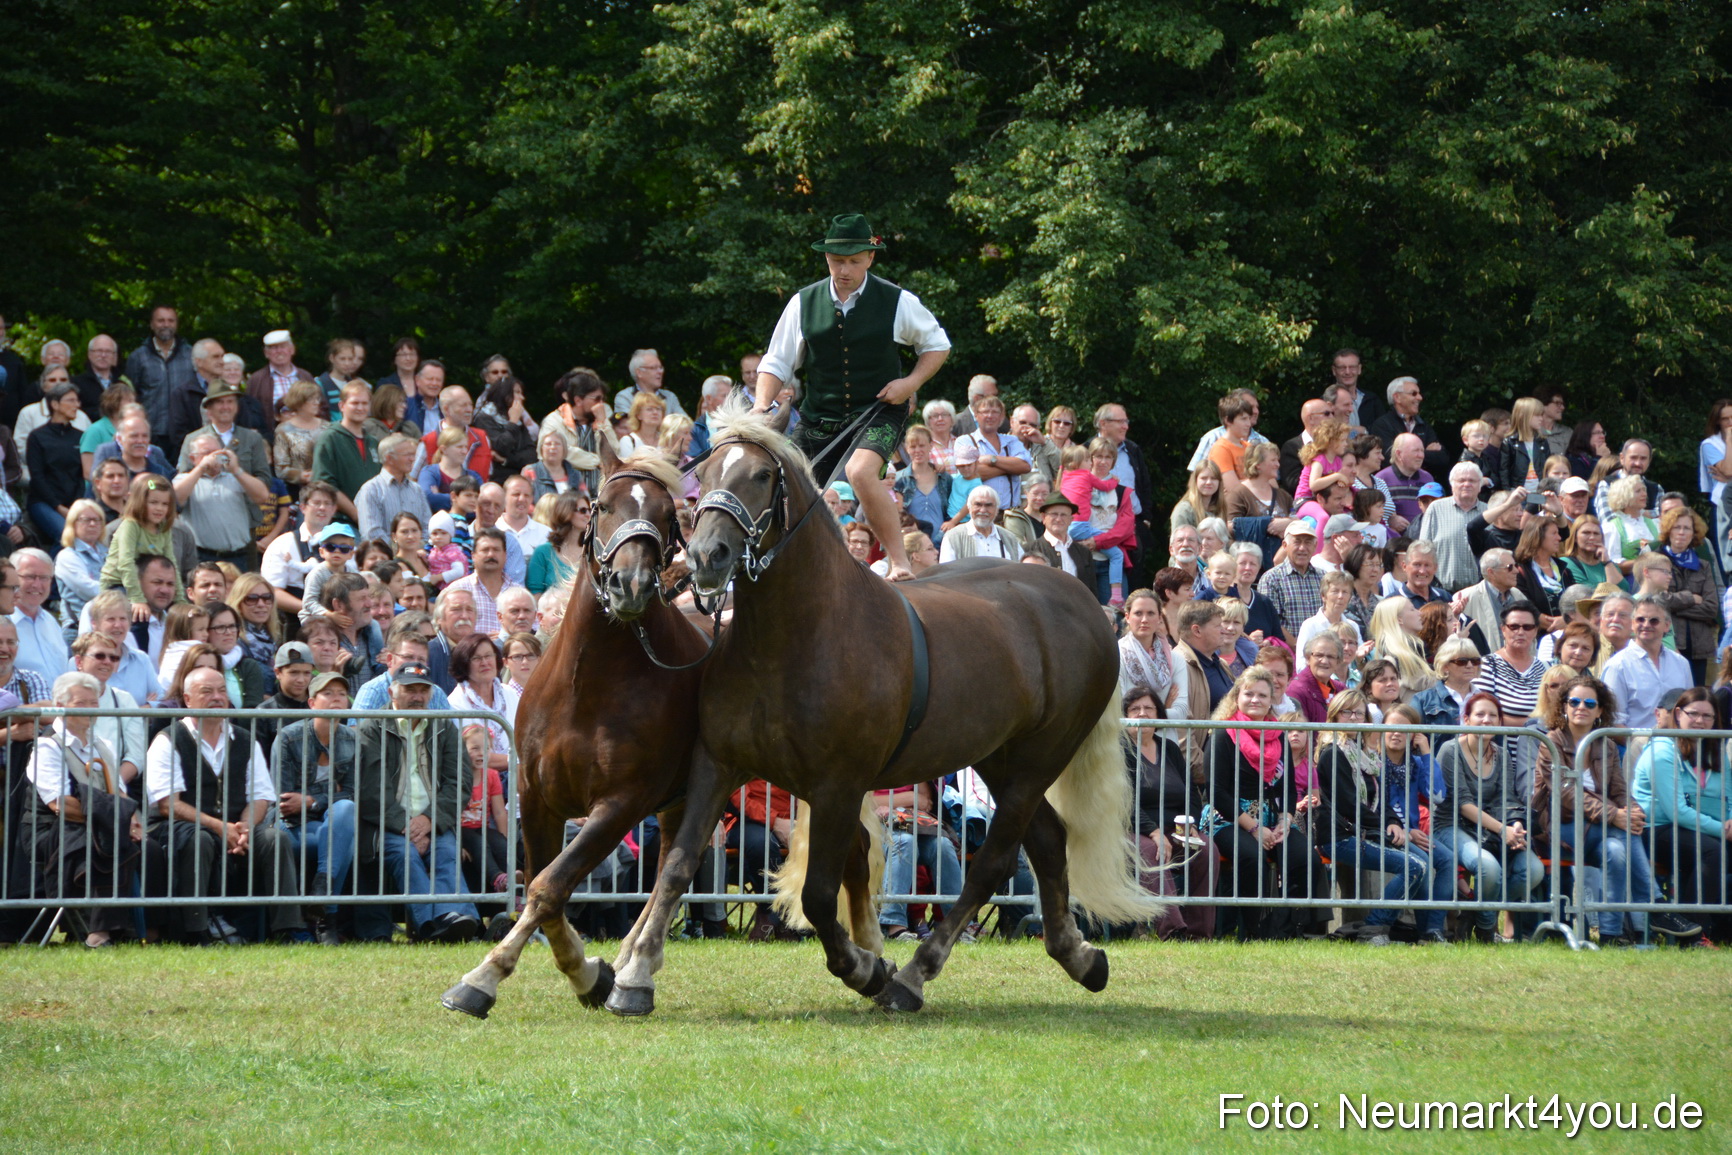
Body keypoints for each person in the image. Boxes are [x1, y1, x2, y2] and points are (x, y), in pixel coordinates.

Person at [750, 214, 951, 582]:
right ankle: (775, 567)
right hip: (817, 417)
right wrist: (762, 404)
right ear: (826, 258)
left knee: (859, 472)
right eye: (837, 261)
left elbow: (937, 345)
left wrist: (909, 383)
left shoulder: (897, 300)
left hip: (877, 411)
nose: (844, 269)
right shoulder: (802, 303)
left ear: (870, 259)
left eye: (854, 261)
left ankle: (900, 563)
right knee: (777, 481)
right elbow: (776, 361)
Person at [144, 665, 307, 943]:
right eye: (207, 691)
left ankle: (287, 929)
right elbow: (168, 805)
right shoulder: (167, 739)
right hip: (177, 827)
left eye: (222, 690)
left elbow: (260, 796)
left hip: (232, 826)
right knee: (200, 839)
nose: (217, 697)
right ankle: (196, 931)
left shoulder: (245, 739)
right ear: (187, 699)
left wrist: (243, 829)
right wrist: (220, 828)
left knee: (273, 838)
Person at [1534, 675, 1699, 945]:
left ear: (1600, 710)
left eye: (1590, 703)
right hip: (1560, 827)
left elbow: (1620, 790)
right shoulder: (1550, 742)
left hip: (1601, 828)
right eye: (1574, 701)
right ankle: (1657, 905)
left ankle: (1611, 934)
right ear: (1564, 706)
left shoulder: (1606, 744)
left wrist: (1631, 812)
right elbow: (1566, 793)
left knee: (1617, 851)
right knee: (1623, 834)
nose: (1581, 707)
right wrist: (1615, 816)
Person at [354, 662, 480, 942]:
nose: (418, 696)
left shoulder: (445, 727)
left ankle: (454, 920)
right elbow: (369, 789)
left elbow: (459, 782)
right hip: (386, 826)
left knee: (446, 852)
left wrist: (429, 820)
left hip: (433, 821)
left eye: (423, 690)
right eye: (410, 689)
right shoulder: (371, 727)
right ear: (391, 692)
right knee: (405, 855)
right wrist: (405, 825)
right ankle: (433, 925)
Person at [22, 671, 144, 947]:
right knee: (104, 843)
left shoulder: (103, 745)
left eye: (94, 702)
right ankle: (97, 933)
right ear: (60, 705)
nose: (90, 709)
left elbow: (119, 794)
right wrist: (114, 822)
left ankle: (147, 931)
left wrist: (133, 822)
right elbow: (59, 804)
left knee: (152, 848)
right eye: (81, 703)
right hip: (53, 829)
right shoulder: (47, 746)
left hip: (99, 824)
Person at [1313, 690, 1435, 945]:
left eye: (1360, 713)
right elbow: (1348, 804)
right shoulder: (1332, 752)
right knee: (1414, 866)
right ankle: (1374, 928)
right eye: (1347, 712)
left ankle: (1414, 930)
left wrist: (1393, 822)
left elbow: (1383, 796)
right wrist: (1385, 825)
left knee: (1419, 864)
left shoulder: (1367, 754)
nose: (1354, 718)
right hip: (1340, 836)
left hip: (1365, 831)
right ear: (1334, 717)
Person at [1206, 666, 1317, 939]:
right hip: (1228, 817)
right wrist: (1254, 829)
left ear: (1271, 700)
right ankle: (1251, 931)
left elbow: (1289, 789)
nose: (1255, 700)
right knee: (1250, 856)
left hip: (1271, 819)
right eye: (1249, 694)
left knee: (1305, 854)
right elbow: (1217, 792)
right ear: (1237, 697)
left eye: (1262, 696)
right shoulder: (1223, 733)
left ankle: (1290, 929)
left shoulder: (1278, 735)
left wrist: (1285, 821)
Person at [1436, 692, 1543, 946]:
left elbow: (1506, 799)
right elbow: (1463, 804)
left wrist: (1515, 825)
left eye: (1492, 715)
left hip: (1492, 827)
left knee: (1533, 870)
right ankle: (1486, 929)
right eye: (1480, 714)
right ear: (1466, 720)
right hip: (1451, 825)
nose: (1486, 720)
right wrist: (1502, 830)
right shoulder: (1450, 750)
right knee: (1489, 868)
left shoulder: (1502, 754)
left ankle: (1473, 914)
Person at [1632, 687, 1731, 944]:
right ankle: (1695, 935)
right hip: (1653, 829)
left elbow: (1728, 797)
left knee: (1715, 849)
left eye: (1707, 716)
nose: (1700, 721)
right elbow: (1677, 812)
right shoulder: (1663, 750)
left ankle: (1718, 931)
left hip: (1693, 829)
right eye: (1693, 714)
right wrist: (1724, 830)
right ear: (1678, 714)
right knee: (1711, 850)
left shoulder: (1716, 751)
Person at [270, 671, 360, 944]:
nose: (336, 699)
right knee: (342, 837)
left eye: (342, 694)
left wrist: (310, 800)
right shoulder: (289, 737)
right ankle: (326, 920)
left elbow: (353, 793)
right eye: (328, 693)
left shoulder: (352, 739)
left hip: (332, 822)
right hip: (294, 826)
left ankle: (323, 894)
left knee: (345, 810)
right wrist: (327, 795)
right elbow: (285, 800)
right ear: (312, 703)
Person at [1124, 686, 1216, 939]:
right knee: (1152, 852)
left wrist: (1191, 825)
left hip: (1174, 828)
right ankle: (1172, 929)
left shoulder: (1170, 749)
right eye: (1135, 709)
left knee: (1206, 850)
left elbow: (1191, 794)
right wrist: (1153, 832)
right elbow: (1123, 800)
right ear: (1124, 716)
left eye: (1149, 708)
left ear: (1159, 716)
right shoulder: (1118, 750)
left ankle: (1200, 932)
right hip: (1132, 830)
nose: (1142, 714)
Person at [874, 775, 963, 941]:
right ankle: (895, 926)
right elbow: (866, 803)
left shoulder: (910, 758)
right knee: (904, 842)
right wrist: (910, 798)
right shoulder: (870, 759)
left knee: (943, 845)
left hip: (913, 823)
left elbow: (925, 801)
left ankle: (955, 925)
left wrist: (891, 804)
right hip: (874, 826)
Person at [173, 433, 268, 568]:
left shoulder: (234, 477)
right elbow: (174, 499)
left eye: (218, 452)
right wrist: (200, 468)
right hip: (202, 557)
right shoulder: (184, 479)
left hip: (238, 556)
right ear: (193, 458)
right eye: (207, 453)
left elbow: (262, 496)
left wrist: (236, 469)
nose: (214, 457)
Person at [1602, 596, 1692, 731]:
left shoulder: (1681, 663)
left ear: (1666, 626)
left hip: (1677, 747)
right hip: (1634, 748)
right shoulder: (1617, 665)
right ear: (1633, 624)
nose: (1646, 625)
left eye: (1654, 621)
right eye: (1640, 619)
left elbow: (1690, 709)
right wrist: (1642, 746)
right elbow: (1613, 721)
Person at [1655, 505, 1721, 684]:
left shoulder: (1703, 565)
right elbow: (1658, 600)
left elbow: (1711, 608)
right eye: (1677, 527)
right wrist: (1691, 598)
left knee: (1696, 696)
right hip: (1670, 642)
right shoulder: (1657, 560)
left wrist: (1674, 606)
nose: (1682, 532)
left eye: (1687, 528)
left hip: (1699, 645)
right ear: (1669, 531)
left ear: (1694, 533)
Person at [122, 305, 196, 455]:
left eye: (171, 320)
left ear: (177, 324)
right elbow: (130, 396)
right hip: (151, 432)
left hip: (185, 431)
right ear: (152, 324)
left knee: (181, 476)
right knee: (153, 477)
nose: (166, 325)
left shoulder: (191, 355)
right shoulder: (138, 357)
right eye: (161, 320)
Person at [24, 377, 87, 540]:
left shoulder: (80, 436)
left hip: (74, 503)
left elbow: (82, 475)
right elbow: (37, 477)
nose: (77, 405)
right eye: (71, 400)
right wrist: (58, 507)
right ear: (55, 404)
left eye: (77, 400)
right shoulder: (37, 437)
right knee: (65, 536)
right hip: (44, 502)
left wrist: (76, 504)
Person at [310, 381, 380, 522]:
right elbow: (324, 484)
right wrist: (356, 515)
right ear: (342, 406)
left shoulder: (373, 442)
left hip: (374, 521)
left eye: (365, 403)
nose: (360, 408)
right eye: (355, 403)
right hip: (340, 523)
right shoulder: (330, 438)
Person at [448, 632, 517, 770]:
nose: (485, 663)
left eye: (488, 656)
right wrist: (520, 762)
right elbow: (476, 757)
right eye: (476, 658)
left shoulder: (510, 693)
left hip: (518, 776)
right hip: (481, 782)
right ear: (464, 664)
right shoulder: (455, 703)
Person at [1418, 463, 1487, 592]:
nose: (1466, 484)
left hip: (1480, 592)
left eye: (1472, 480)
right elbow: (1424, 549)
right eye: (1461, 480)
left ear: (1480, 486)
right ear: (1452, 484)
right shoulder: (1436, 509)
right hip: (1443, 591)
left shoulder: (1489, 511)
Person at [355, 432, 430, 545]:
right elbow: (371, 533)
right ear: (389, 458)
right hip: (385, 559)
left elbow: (427, 527)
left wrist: (417, 550)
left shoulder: (416, 489)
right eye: (407, 455)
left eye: (413, 454)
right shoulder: (371, 489)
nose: (412, 459)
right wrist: (398, 553)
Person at [1257, 521, 1323, 644]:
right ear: (1285, 545)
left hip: (1321, 652)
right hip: (1286, 654)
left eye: (1308, 542)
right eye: (1297, 542)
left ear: (1315, 546)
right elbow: (1271, 621)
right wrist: (1298, 648)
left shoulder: (1323, 577)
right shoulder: (1271, 578)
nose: (1302, 548)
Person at [9, 548, 69, 682]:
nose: (37, 585)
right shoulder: (4, 623)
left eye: (44, 578)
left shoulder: (50, 622)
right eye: (30, 577)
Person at [246, 329, 316, 432]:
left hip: (308, 436)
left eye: (283, 346)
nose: (279, 351)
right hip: (272, 439)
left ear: (292, 350)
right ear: (266, 353)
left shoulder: (306, 376)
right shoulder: (256, 380)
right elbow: (249, 412)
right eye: (274, 348)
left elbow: (321, 406)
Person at [473, 375, 538, 481]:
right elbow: (501, 447)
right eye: (517, 392)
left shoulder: (517, 419)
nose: (522, 397)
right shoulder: (484, 418)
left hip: (519, 478)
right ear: (505, 394)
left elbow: (532, 455)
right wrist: (512, 422)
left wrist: (505, 460)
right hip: (496, 480)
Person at [938, 487, 1021, 563]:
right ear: (969, 507)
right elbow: (946, 575)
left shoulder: (1009, 538)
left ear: (996, 509)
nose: (982, 510)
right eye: (978, 504)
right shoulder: (953, 537)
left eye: (989, 505)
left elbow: (1022, 568)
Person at [272, 380, 328, 491]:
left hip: (328, 488)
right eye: (311, 399)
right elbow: (280, 468)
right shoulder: (283, 430)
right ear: (299, 402)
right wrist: (301, 475)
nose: (316, 403)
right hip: (298, 491)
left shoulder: (328, 427)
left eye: (317, 399)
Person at [612, 348, 687, 418]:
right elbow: (628, 426)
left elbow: (686, 425)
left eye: (660, 367)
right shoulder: (625, 398)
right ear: (639, 373)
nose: (660, 372)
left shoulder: (670, 397)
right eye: (653, 368)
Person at [1287, 633, 1344, 723]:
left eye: (1330, 657)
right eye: (1319, 655)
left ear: (1338, 662)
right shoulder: (1297, 690)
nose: (1324, 661)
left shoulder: (1341, 690)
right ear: (1308, 658)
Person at [501, 631, 541, 695]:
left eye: (530, 655)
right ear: (506, 662)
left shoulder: (548, 694)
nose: (525, 662)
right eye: (517, 657)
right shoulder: (501, 697)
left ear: (539, 659)